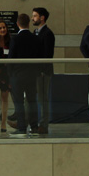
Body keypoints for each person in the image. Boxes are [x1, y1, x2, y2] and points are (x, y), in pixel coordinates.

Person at [8, 13, 41, 135]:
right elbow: (39, 56)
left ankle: (22, 127)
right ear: (28, 23)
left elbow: (11, 58)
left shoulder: (15, 39)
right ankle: (34, 126)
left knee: (19, 102)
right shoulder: (35, 38)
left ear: (17, 24)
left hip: (17, 75)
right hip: (32, 74)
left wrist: (10, 75)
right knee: (32, 101)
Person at [32, 7, 55, 135]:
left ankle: (43, 124)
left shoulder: (47, 33)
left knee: (42, 99)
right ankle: (32, 122)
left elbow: (47, 54)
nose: (32, 18)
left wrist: (41, 70)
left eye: (35, 16)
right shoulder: (35, 32)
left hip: (43, 72)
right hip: (35, 71)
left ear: (42, 18)